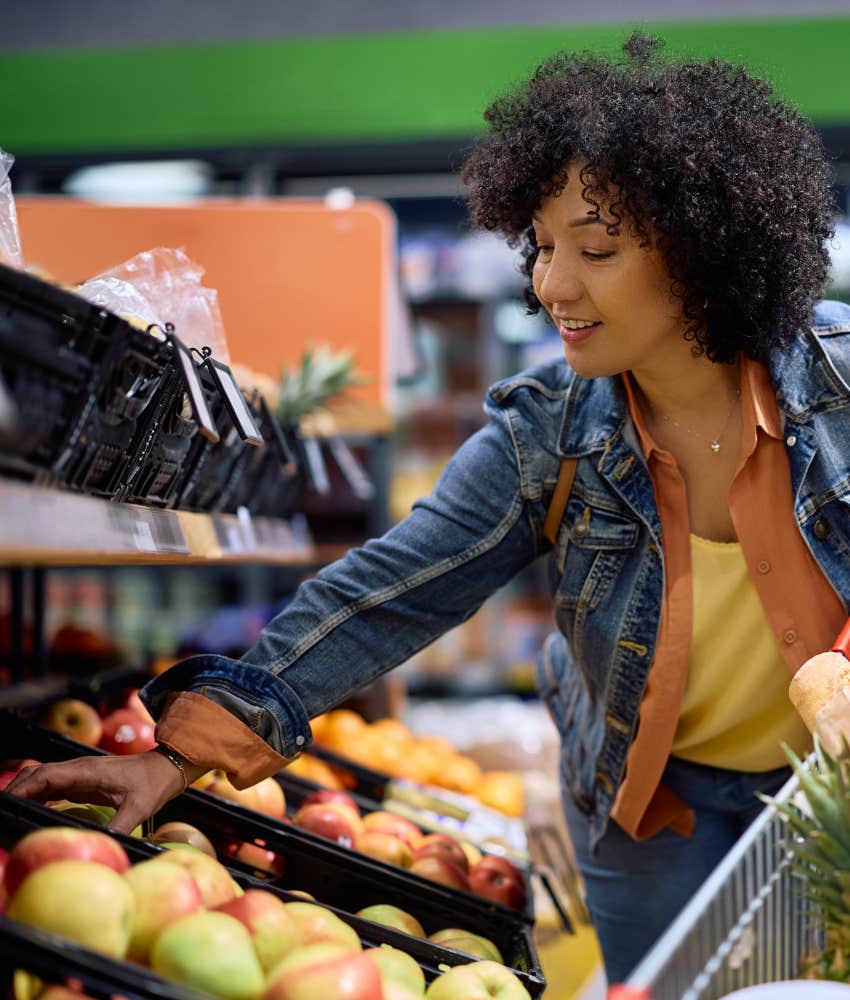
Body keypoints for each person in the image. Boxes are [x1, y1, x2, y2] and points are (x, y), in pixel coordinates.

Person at [9, 31, 850, 984]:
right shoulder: (550, 435)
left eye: (597, 249)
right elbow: (395, 587)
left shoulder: (838, 385)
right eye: (541, 246)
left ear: (705, 254)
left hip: (831, 788)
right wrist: (173, 757)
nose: (550, 284)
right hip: (652, 801)